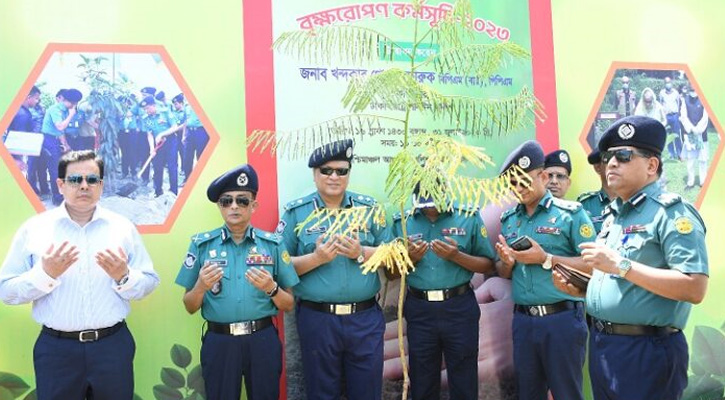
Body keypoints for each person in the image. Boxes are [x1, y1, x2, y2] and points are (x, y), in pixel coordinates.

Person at [553, 115, 709, 400]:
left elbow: (694, 286)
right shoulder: (614, 214)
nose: (611, 163)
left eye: (623, 156)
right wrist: (584, 287)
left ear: (652, 165)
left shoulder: (671, 213)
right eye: (609, 156)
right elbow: (623, 282)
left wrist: (619, 264)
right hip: (603, 345)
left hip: (647, 350)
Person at [0, 150, 160, 400]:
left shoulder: (122, 228)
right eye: (75, 180)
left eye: (92, 180)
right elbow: (6, 291)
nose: (84, 186)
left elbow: (150, 281)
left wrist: (124, 276)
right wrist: (44, 274)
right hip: (57, 351)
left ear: (101, 185)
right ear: (61, 185)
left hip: (112, 347)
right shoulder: (35, 229)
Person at [175, 164, 298, 400]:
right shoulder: (202, 245)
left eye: (242, 200)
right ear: (219, 206)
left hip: (261, 340)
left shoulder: (272, 245)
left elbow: (289, 304)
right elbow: (189, 306)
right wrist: (200, 286)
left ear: (254, 205)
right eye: (226, 201)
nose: (234, 206)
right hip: (220, 342)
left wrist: (271, 288)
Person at [278, 139, 386, 400]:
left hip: (365, 318)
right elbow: (278, 267)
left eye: (342, 170)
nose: (334, 176)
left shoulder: (370, 209)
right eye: (326, 171)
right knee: (321, 393)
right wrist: (316, 258)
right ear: (315, 174)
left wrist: (362, 252)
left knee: (367, 392)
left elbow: (395, 254)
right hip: (318, 320)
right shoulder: (296, 213)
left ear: (349, 173)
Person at [494, 140, 595, 400]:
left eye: (523, 181)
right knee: (528, 394)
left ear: (542, 176)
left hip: (561, 320)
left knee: (566, 393)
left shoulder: (570, 215)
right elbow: (505, 273)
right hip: (524, 322)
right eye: (513, 184)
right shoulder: (509, 220)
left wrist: (546, 258)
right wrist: (506, 262)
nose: (518, 189)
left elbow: (594, 265)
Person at [388, 186, 497, 400]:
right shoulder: (401, 221)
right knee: (422, 380)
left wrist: (457, 256)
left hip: (458, 307)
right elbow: (391, 274)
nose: (432, 208)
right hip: (420, 310)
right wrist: (409, 258)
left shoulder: (468, 217)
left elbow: (488, 265)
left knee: (464, 378)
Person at [39, 88, 83, 205]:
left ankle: (61, 193)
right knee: (54, 170)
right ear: (73, 103)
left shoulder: (64, 110)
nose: (75, 106)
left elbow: (60, 133)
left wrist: (66, 145)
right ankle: (57, 198)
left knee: (61, 168)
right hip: (48, 140)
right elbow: (60, 127)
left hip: (56, 139)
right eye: (75, 103)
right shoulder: (56, 109)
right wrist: (71, 115)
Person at [140, 95, 179, 197]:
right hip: (158, 145)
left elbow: (175, 127)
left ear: (153, 105)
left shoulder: (165, 112)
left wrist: (162, 134)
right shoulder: (146, 118)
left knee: (172, 167)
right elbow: (149, 134)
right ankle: (158, 191)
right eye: (144, 109)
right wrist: (152, 149)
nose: (146, 111)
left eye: (147, 108)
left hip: (170, 142)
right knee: (157, 167)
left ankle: (173, 192)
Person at [577, 149, 615, 234]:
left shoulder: (635, 202)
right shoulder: (585, 205)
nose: (615, 164)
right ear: (598, 168)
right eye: (608, 159)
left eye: (621, 159)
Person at [679, 86, 709, 188]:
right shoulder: (685, 100)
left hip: (702, 134)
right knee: (691, 159)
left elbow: (706, 117)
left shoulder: (704, 99)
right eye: (691, 90)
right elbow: (683, 116)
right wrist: (691, 128)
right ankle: (690, 182)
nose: (693, 92)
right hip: (690, 134)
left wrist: (698, 129)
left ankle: (703, 181)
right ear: (689, 90)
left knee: (703, 159)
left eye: (695, 90)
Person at [176, 93, 209, 185]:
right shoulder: (186, 106)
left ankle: (202, 179)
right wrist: (183, 135)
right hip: (189, 133)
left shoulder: (202, 103)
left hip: (201, 132)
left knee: (201, 156)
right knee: (187, 157)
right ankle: (187, 179)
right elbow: (186, 122)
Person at [660, 77, 682, 160]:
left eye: (669, 82)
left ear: (671, 83)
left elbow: (679, 104)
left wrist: (678, 115)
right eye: (666, 82)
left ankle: (679, 153)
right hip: (666, 117)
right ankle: (671, 154)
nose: (667, 84)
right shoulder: (662, 93)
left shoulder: (676, 93)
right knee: (669, 136)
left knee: (677, 134)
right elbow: (661, 103)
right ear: (664, 83)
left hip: (675, 116)